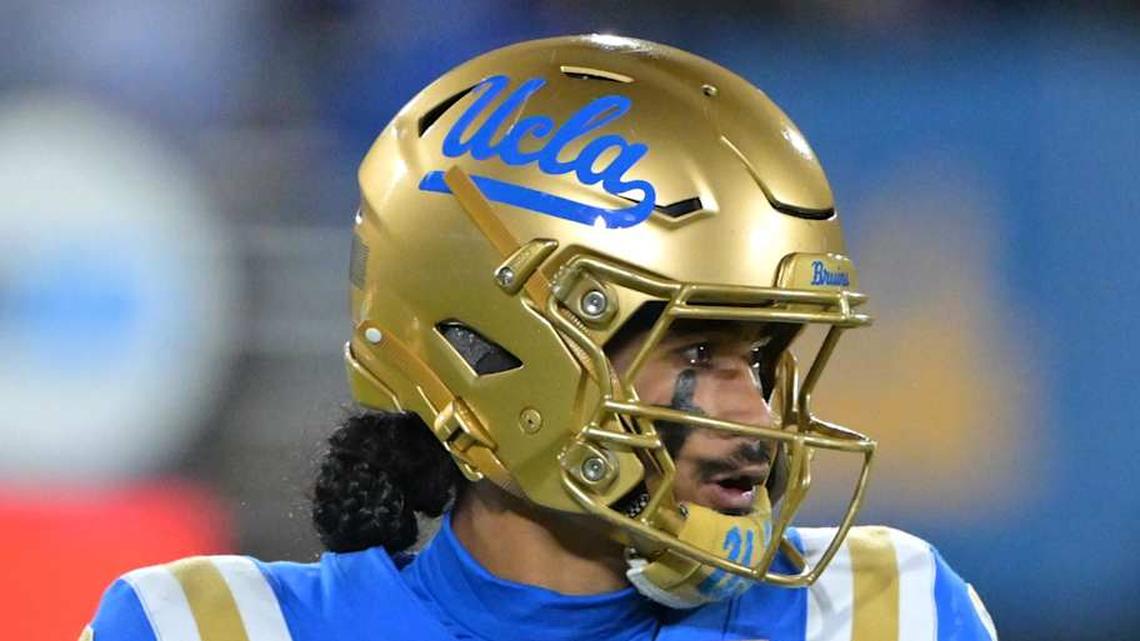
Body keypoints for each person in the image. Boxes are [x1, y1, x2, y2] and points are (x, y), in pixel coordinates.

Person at [83, 34, 998, 641]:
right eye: (693, 355)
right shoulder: (207, 626)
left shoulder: (886, 612)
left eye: (760, 358)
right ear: (483, 356)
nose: (755, 414)